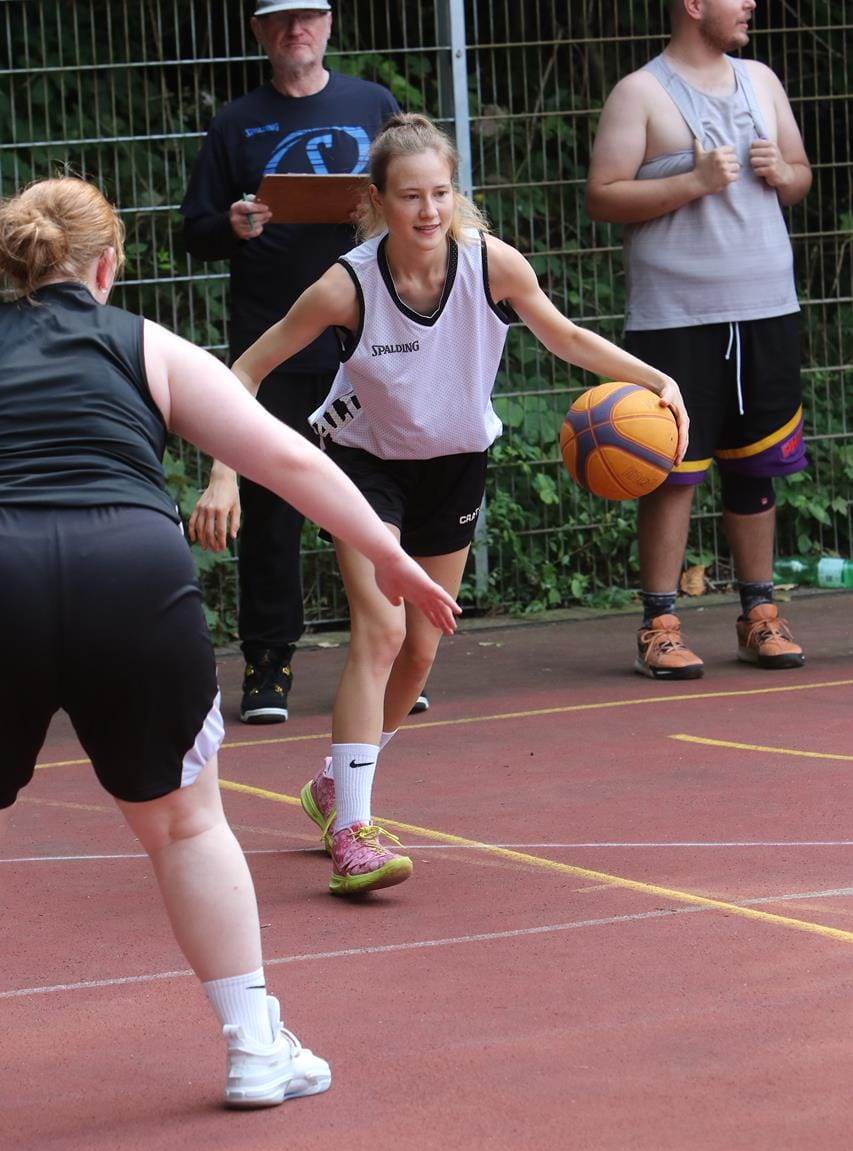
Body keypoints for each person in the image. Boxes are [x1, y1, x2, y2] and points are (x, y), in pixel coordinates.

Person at [0, 176, 459, 1106]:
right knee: (184, 825)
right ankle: (254, 1048)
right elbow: (286, 457)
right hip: (131, 566)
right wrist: (389, 555)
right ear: (106, 267)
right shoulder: (144, 344)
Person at [215, 113, 689, 898]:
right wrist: (222, 473)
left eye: (440, 193)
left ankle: (337, 784)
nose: (429, 210)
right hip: (363, 465)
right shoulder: (346, 286)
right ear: (377, 201)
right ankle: (353, 832)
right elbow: (244, 370)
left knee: (421, 650)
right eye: (410, 196)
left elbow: (566, 337)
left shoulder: (489, 264)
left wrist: (655, 380)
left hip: (454, 464)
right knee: (380, 632)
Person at [181, 0, 401, 725]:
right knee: (271, 510)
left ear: (330, 22)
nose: (294, 30)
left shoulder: (373, 104)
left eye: (306, 16)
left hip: (367, 340)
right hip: (269, 344)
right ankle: (268, 662)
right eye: (278, 20)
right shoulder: (235, 122)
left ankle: (385, 653)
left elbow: (416, 200)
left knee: (370, 505)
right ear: (259, 33)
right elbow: (195, 232)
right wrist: (233, 224)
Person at [586, 0, 812, 679]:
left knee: (757, 468)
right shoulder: (640, 93)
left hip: (766, 308)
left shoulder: (762, 80)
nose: (749, 4)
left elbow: (800, 176)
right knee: (670, 471)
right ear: (692, 5)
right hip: (674, 317)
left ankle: (759, 615)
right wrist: (692, 181)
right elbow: (602, 196)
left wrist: (784, 175)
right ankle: (658, 626)